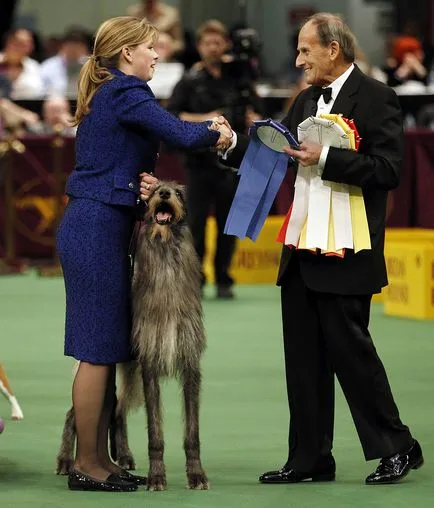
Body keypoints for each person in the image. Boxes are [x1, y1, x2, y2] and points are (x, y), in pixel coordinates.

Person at [217, 12, 423, 485]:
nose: (298, 59)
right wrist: (229, 148)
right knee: (303, 360)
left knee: (353, 356)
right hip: (301, 250)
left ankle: (397, 446)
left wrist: (328, 157)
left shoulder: (378, 98)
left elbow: (388, 170)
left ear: (334, 49)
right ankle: (309, 457)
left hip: (348, 251)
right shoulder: (306, 98)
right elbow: (275, 155)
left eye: (306, 49)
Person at [56, 16, 231, 493]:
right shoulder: (128, 91)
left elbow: (108, 164)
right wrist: (219, 131)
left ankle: (102, 459)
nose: (158, 55)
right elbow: (178, 133)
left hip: (99, 225)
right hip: (94, 231)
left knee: (107, 348)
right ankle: (87, 465)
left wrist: (138, 190)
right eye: (151, 48)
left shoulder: (107, 91)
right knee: (95, 352)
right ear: (127, 52)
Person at [167, 19, 263, 299]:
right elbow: (172, 117)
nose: (213, 47)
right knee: (195, 225)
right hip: (198, 164)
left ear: (225, 46)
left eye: (218, 42)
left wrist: (253, 119)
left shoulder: (239, 78)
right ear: (199, 47)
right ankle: (196, 279)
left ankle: (224, 277)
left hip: (232, 163)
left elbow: (258, 110)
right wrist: (206, 119)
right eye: (207, 42)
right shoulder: (188, 81)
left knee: (228, 225)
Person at [40, 29, 91, 98]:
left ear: (85, 49)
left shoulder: (91, 66)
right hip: (55, 105)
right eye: (71, 46)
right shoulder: (48, 66)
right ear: (62, 46)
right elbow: (40, 92)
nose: (74, 51)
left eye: (78, 47)